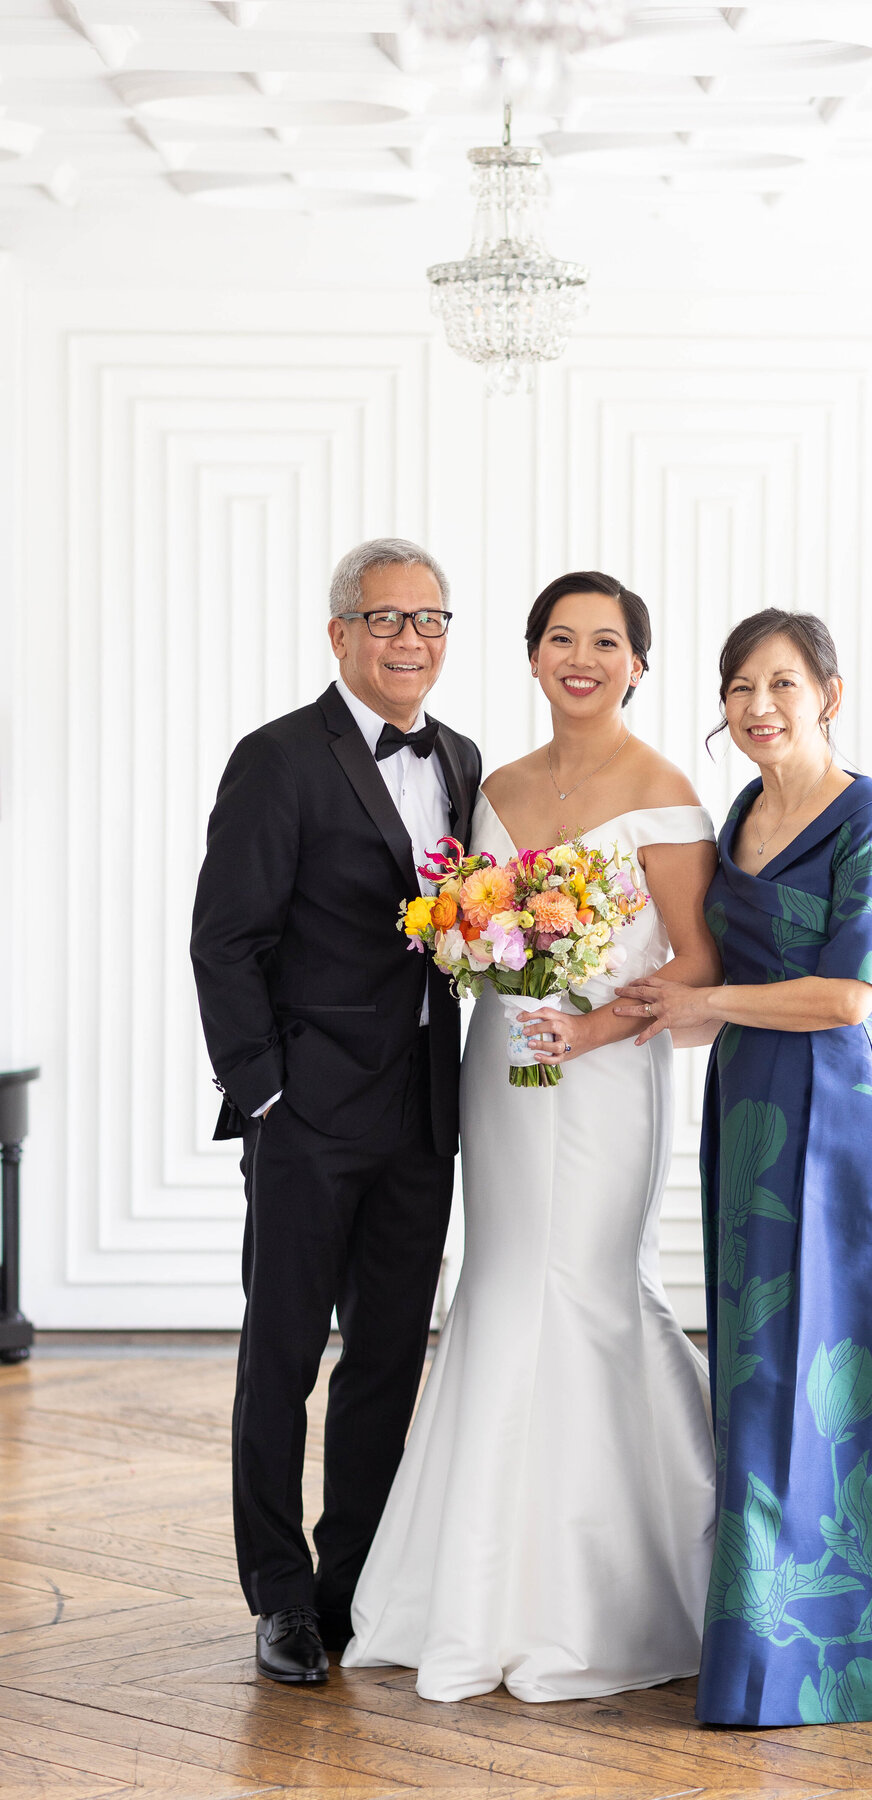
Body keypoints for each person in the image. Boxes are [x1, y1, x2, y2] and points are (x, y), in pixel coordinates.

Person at [343, 571, 723, 1701]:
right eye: (562, 637)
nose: (583, 658)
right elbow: (473, 929)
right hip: (503, 1077)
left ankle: (621, 1587)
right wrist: (478, 953)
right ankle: (469, 1589)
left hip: (607, 1081)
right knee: (500, 1284)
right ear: (530, 654)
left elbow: (699, 964)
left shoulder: (666, 793)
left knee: (595, 1288)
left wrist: (595, 1025)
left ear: (639, 665)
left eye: (607, 642)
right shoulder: (493, 784)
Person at [614, 608, 872, 1729]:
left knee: (832, 1374)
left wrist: (705, 1001)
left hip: (838, 1114)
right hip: (751, 1108)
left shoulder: (871, 817)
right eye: (738, 689)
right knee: (757, 1373)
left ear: (829, 695)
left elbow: (852, 996)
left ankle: (840, 1661)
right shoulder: (745, 812)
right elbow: (711, 983)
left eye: (781, 685)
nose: (757, 707)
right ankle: (757, 1644)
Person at [190, 538, 481, 1686]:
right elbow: (226, 939)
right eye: (387, 620)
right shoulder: (277, 759)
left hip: (422, 1113)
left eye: (431, 620)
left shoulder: (461, 758)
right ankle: (275, 1597)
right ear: (340, 635)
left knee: (386, 1362)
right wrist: (264, 1089)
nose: (411, 640)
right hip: (307, 1112)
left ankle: (347, 1582)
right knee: (281, 1357)